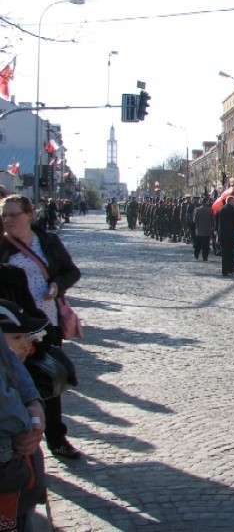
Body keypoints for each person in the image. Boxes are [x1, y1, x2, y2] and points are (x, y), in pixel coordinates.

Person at [0, 195, 82, 458]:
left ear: (30, 215)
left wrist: (57, 285)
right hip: (12, 328)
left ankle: (56, 438)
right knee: (13, 382)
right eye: (4, 214)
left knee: (47, 379)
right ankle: (17, 442)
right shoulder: (2, 245)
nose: (8, 219)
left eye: (14, 214)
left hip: (46, 324)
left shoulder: (47, 242)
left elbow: (72, 271)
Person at [0, 299, 48, 531]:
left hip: (17, 472)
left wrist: (34, 409)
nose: (26, 346)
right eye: (17, 337)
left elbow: (9, 363)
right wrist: (27, 425)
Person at [217, 196, 234, 276]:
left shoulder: (221, 209)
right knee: (230, 253)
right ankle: (231, 269)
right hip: (231, 235)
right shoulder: (233, 210)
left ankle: (224, 270)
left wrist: (218, 234)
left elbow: (218, 223)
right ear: (231, 201)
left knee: (224, 253)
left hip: (222, 234)